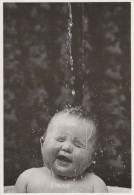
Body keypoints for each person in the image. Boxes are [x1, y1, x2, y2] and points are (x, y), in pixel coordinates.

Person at [14, 106, 108, 193]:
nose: (66, 147)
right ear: (42, 144)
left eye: (78, 145)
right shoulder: (27, 179)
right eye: (60, 139)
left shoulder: (95, 185)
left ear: (91, 158)